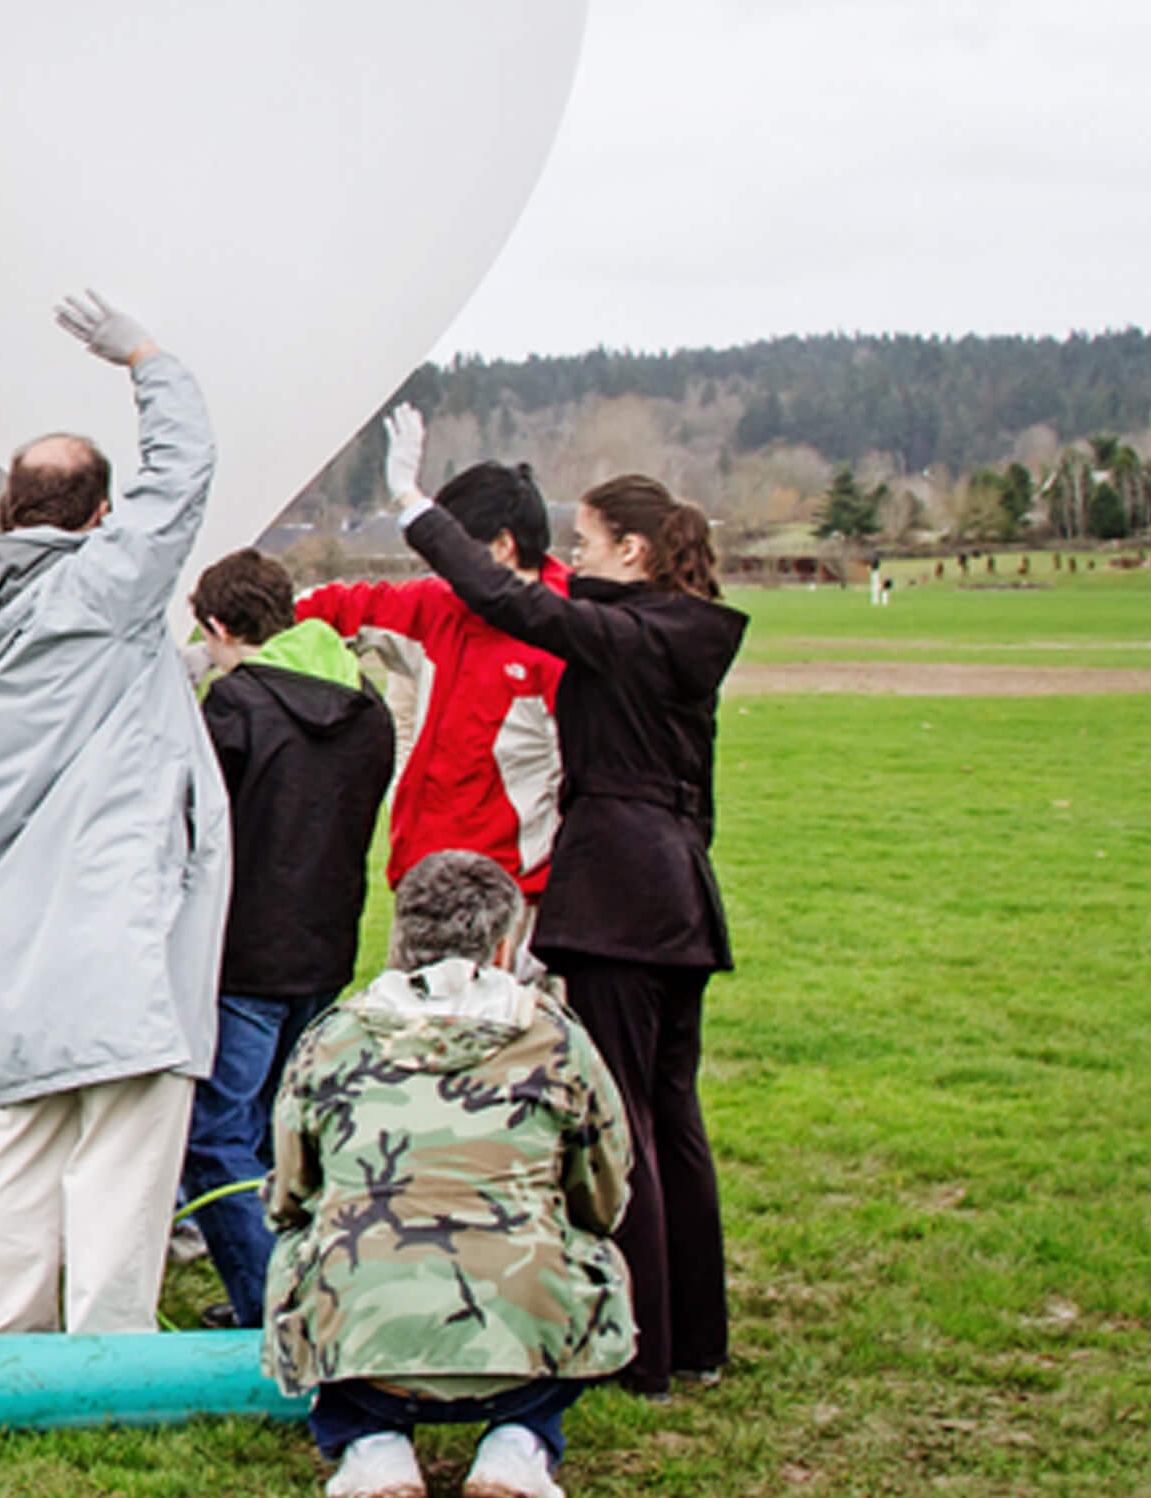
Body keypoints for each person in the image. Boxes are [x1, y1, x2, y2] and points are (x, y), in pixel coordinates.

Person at [386, 406, 746, 1397]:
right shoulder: (679, 636)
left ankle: (640, 1347)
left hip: (618, 896)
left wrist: (417, 508)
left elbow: (516, 604)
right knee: (672, 1111)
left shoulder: (625, 635)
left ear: (630, 551)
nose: (572, 559)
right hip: (678, 892)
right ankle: (695, 1335)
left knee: (622, 1117)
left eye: (584, 542)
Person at [0, 291, 230, 1336]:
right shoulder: (105, 588)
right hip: (110, 912)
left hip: (8, 919)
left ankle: (2, 1334)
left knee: (19, 1132)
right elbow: (182, 474)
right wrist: (146, 356)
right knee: (123, 1138)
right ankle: (109, 1342)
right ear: (99, 519)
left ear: (8, 514)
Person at [264, 850, 633, 1498]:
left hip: (365, 1331)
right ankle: (519, 1442)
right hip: (525, 1332)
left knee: (303, 1244)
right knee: (590, 1251)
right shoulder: (557, 1037)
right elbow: (603, 1191)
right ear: (501, 947)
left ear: (403, 936)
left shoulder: (333, 1037)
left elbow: (290, 1191)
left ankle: (370, 1445)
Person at [178, 547, 394, 1330]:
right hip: (326, 943)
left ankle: (278, 1308)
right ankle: (297, 1278)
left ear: (220, 626)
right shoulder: (366, 701)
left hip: (243, 952)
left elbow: (192, 826)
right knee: (281, 1132)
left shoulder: (232, 710)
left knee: (214, 1136)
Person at [293, 457, 568, 913]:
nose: (440, 569)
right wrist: (231, 627)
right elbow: (336, 609)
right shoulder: (439, 605)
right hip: (423, 881)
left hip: (514, 900)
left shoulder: (565, 639)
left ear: (501, 547)